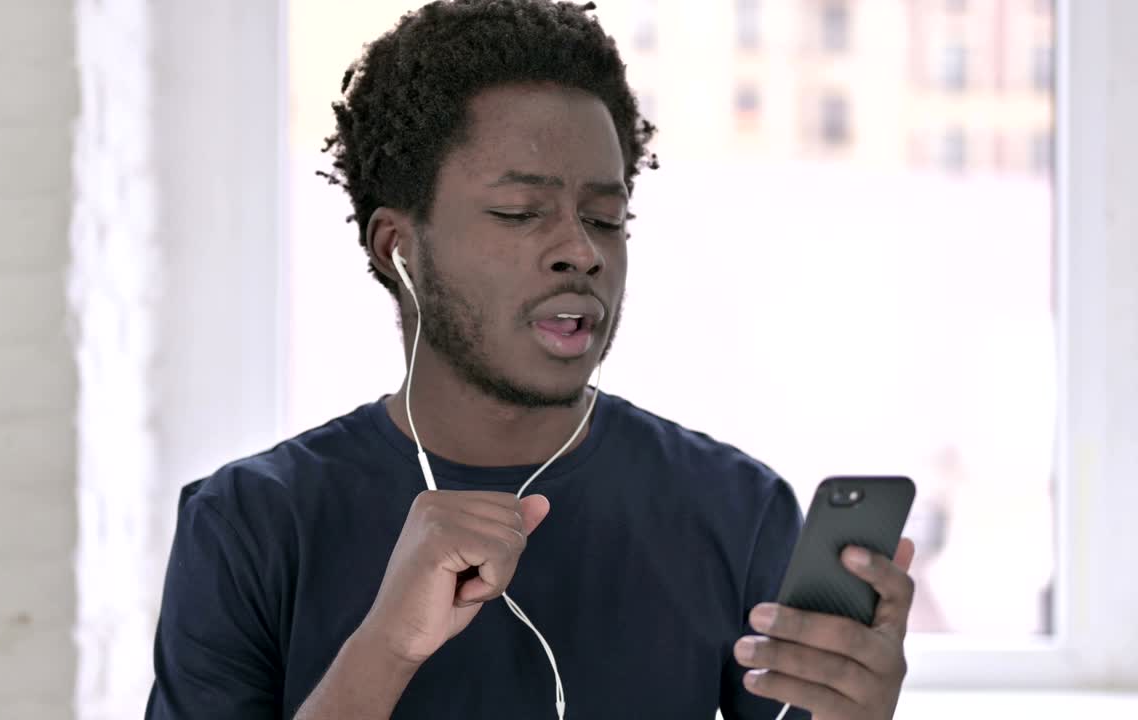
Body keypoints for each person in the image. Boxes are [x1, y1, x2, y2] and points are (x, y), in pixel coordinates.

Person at [144, 1, 917, 718]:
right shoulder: (248, 524)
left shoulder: (738, 512)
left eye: (606, 218)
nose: (580, 252)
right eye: (520, 213)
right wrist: (387, 647)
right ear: (398, 248)